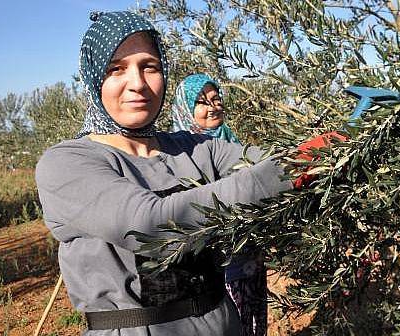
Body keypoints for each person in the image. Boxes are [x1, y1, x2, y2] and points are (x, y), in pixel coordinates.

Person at [35, 11, 292, 335]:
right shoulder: (68, 163)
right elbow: (150, 225)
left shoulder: (194, 147)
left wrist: (338, 143)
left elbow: (266, 160)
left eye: (149, 66)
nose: (138, 83)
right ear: (92, 77)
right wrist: (284, 172)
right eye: (116, 69)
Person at [172, 74, 267, 336]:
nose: (213, 107)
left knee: (253, 319)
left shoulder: (231, 140)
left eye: (216, 99)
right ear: (185, 109)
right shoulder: (179, 155)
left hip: (249, 256)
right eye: (202, 103)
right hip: (213, 267)